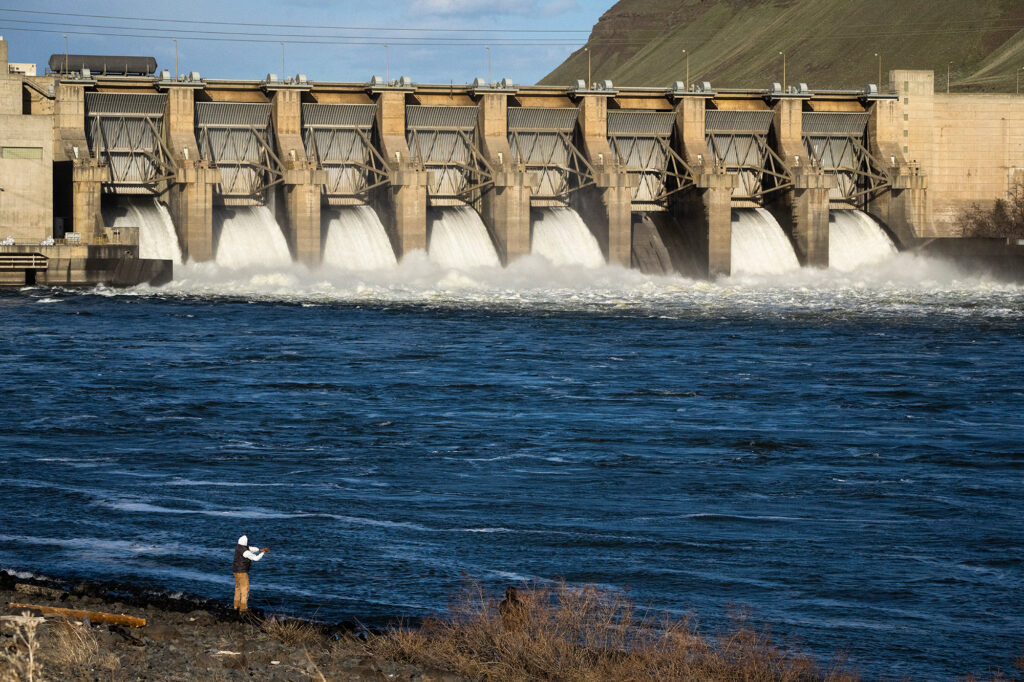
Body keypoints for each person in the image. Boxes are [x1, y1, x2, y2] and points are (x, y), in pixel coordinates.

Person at [233, 535, 270, 612]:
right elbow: (256, 558)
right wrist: (263, 552)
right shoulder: (245, 552)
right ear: (245, 543)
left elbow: (251, 548)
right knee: (245, 590)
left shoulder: (238, 547)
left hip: (235, 571)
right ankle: (243, 609)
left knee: (238, 589)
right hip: (242, 572)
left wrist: (260, 549)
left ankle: (235, 607)